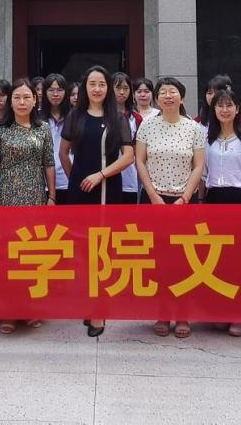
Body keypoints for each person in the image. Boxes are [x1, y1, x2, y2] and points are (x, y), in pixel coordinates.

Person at [60, 65, 134, 337]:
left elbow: (128, 157)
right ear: (85, 87)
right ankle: (89, 301)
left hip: (107, 188)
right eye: (92, 83)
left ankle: (99, 310)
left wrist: (100, 175)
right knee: (82, 249)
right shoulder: (75, 116)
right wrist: (75, 178)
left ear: (108, 88)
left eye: (102, 84)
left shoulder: (117, 118)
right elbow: (63, 152)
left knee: (103, 249)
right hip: (81, 190)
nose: (97, 89)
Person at [136, 76, 207, 340]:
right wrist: (153, 195)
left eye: (173, 91)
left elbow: (198, 165)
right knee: (158, 259)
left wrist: (185, 198)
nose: (168, 96)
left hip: (183, 202)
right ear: (157, 99)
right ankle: (163, 312)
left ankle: (183, 313)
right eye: (163, 92)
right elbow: (140, 161)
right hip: (154, 200)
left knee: (184, 259)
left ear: (182, 97)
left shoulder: (193, 128)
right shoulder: (147, 126)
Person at [0, 78, 56, 334]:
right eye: (17, 97)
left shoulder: (43, 129)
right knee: (7, 255)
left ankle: (31, 307)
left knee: (33, 253)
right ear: (10, 101)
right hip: (7, 197)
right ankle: (8, 310)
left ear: (35, 100)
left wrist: (52, 197)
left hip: (35, 197)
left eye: (27, 97)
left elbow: (49, 163)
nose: (22, 102)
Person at [203, 87, 241, 337]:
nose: (224, 110)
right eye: (220, 105)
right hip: (214, 200)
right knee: (217, 259)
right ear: (214, 109)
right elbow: (203, 176)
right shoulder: (207, 140)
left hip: (239, 200)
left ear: (237, 109)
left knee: (240, 261)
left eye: (229, 105)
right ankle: (220, 310)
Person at [113, 72, 144, 204]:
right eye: (118, 88)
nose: (122, 92)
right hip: (106, 174)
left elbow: (138, 151)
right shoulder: (102, 114)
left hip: (129, 175)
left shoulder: (136, 118)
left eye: (125, 88)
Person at [41, 73, 71, 204]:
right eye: (51, 90)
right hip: (42, 182)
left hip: (68, 180)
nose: (55, 94)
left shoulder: (74, 117)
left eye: (59, 90)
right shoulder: (36, 118)